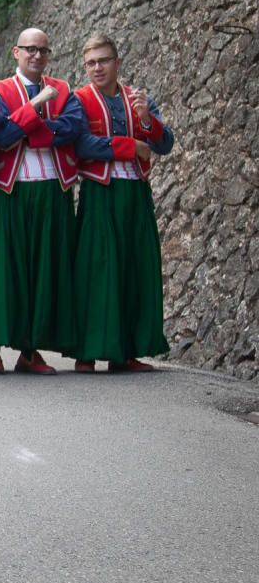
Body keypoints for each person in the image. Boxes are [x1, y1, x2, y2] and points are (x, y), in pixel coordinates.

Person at [0, 28, 85, 374]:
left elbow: (73, 130)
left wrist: (26, 127)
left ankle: (30, 350)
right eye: (30, 49)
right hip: (10, 189)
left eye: (43, 50)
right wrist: (35, 112)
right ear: (16, 52)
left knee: (45, 270)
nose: (36, 55)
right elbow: (1, 137)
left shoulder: (63, 90)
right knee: (3, 270)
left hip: (53, 188)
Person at [73, 34, 174, 371]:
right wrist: (131, 145)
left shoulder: (138, 98)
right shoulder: (80, 99)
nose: (97, 68)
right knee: (97, 269)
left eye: (103, 60)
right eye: (91, 63)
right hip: (100, 192)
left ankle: (126, 351)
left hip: (135, 192)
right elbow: (83, 146)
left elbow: (165, 144)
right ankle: (87, 351)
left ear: (117, 62)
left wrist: (147, 121)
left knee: (135, 267)